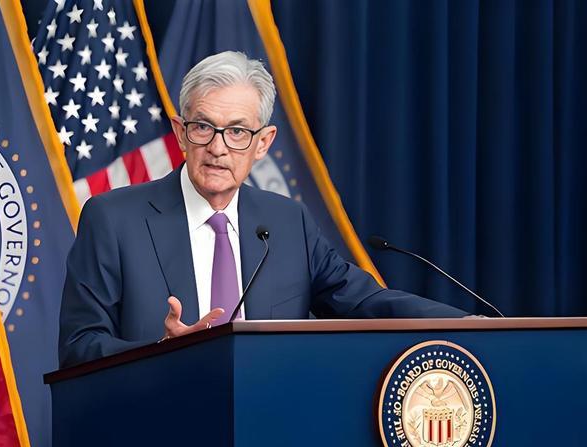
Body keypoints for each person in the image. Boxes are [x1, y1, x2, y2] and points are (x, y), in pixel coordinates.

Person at [59, 51, 466, 367]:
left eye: (237, 131)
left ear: (263, 143)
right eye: (203, 127)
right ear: (181, 133)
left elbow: (364, 302)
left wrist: (470, 326)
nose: (218, 148)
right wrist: (160, 350)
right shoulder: (112, 220)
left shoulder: (288, 222)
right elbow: (78, 346)